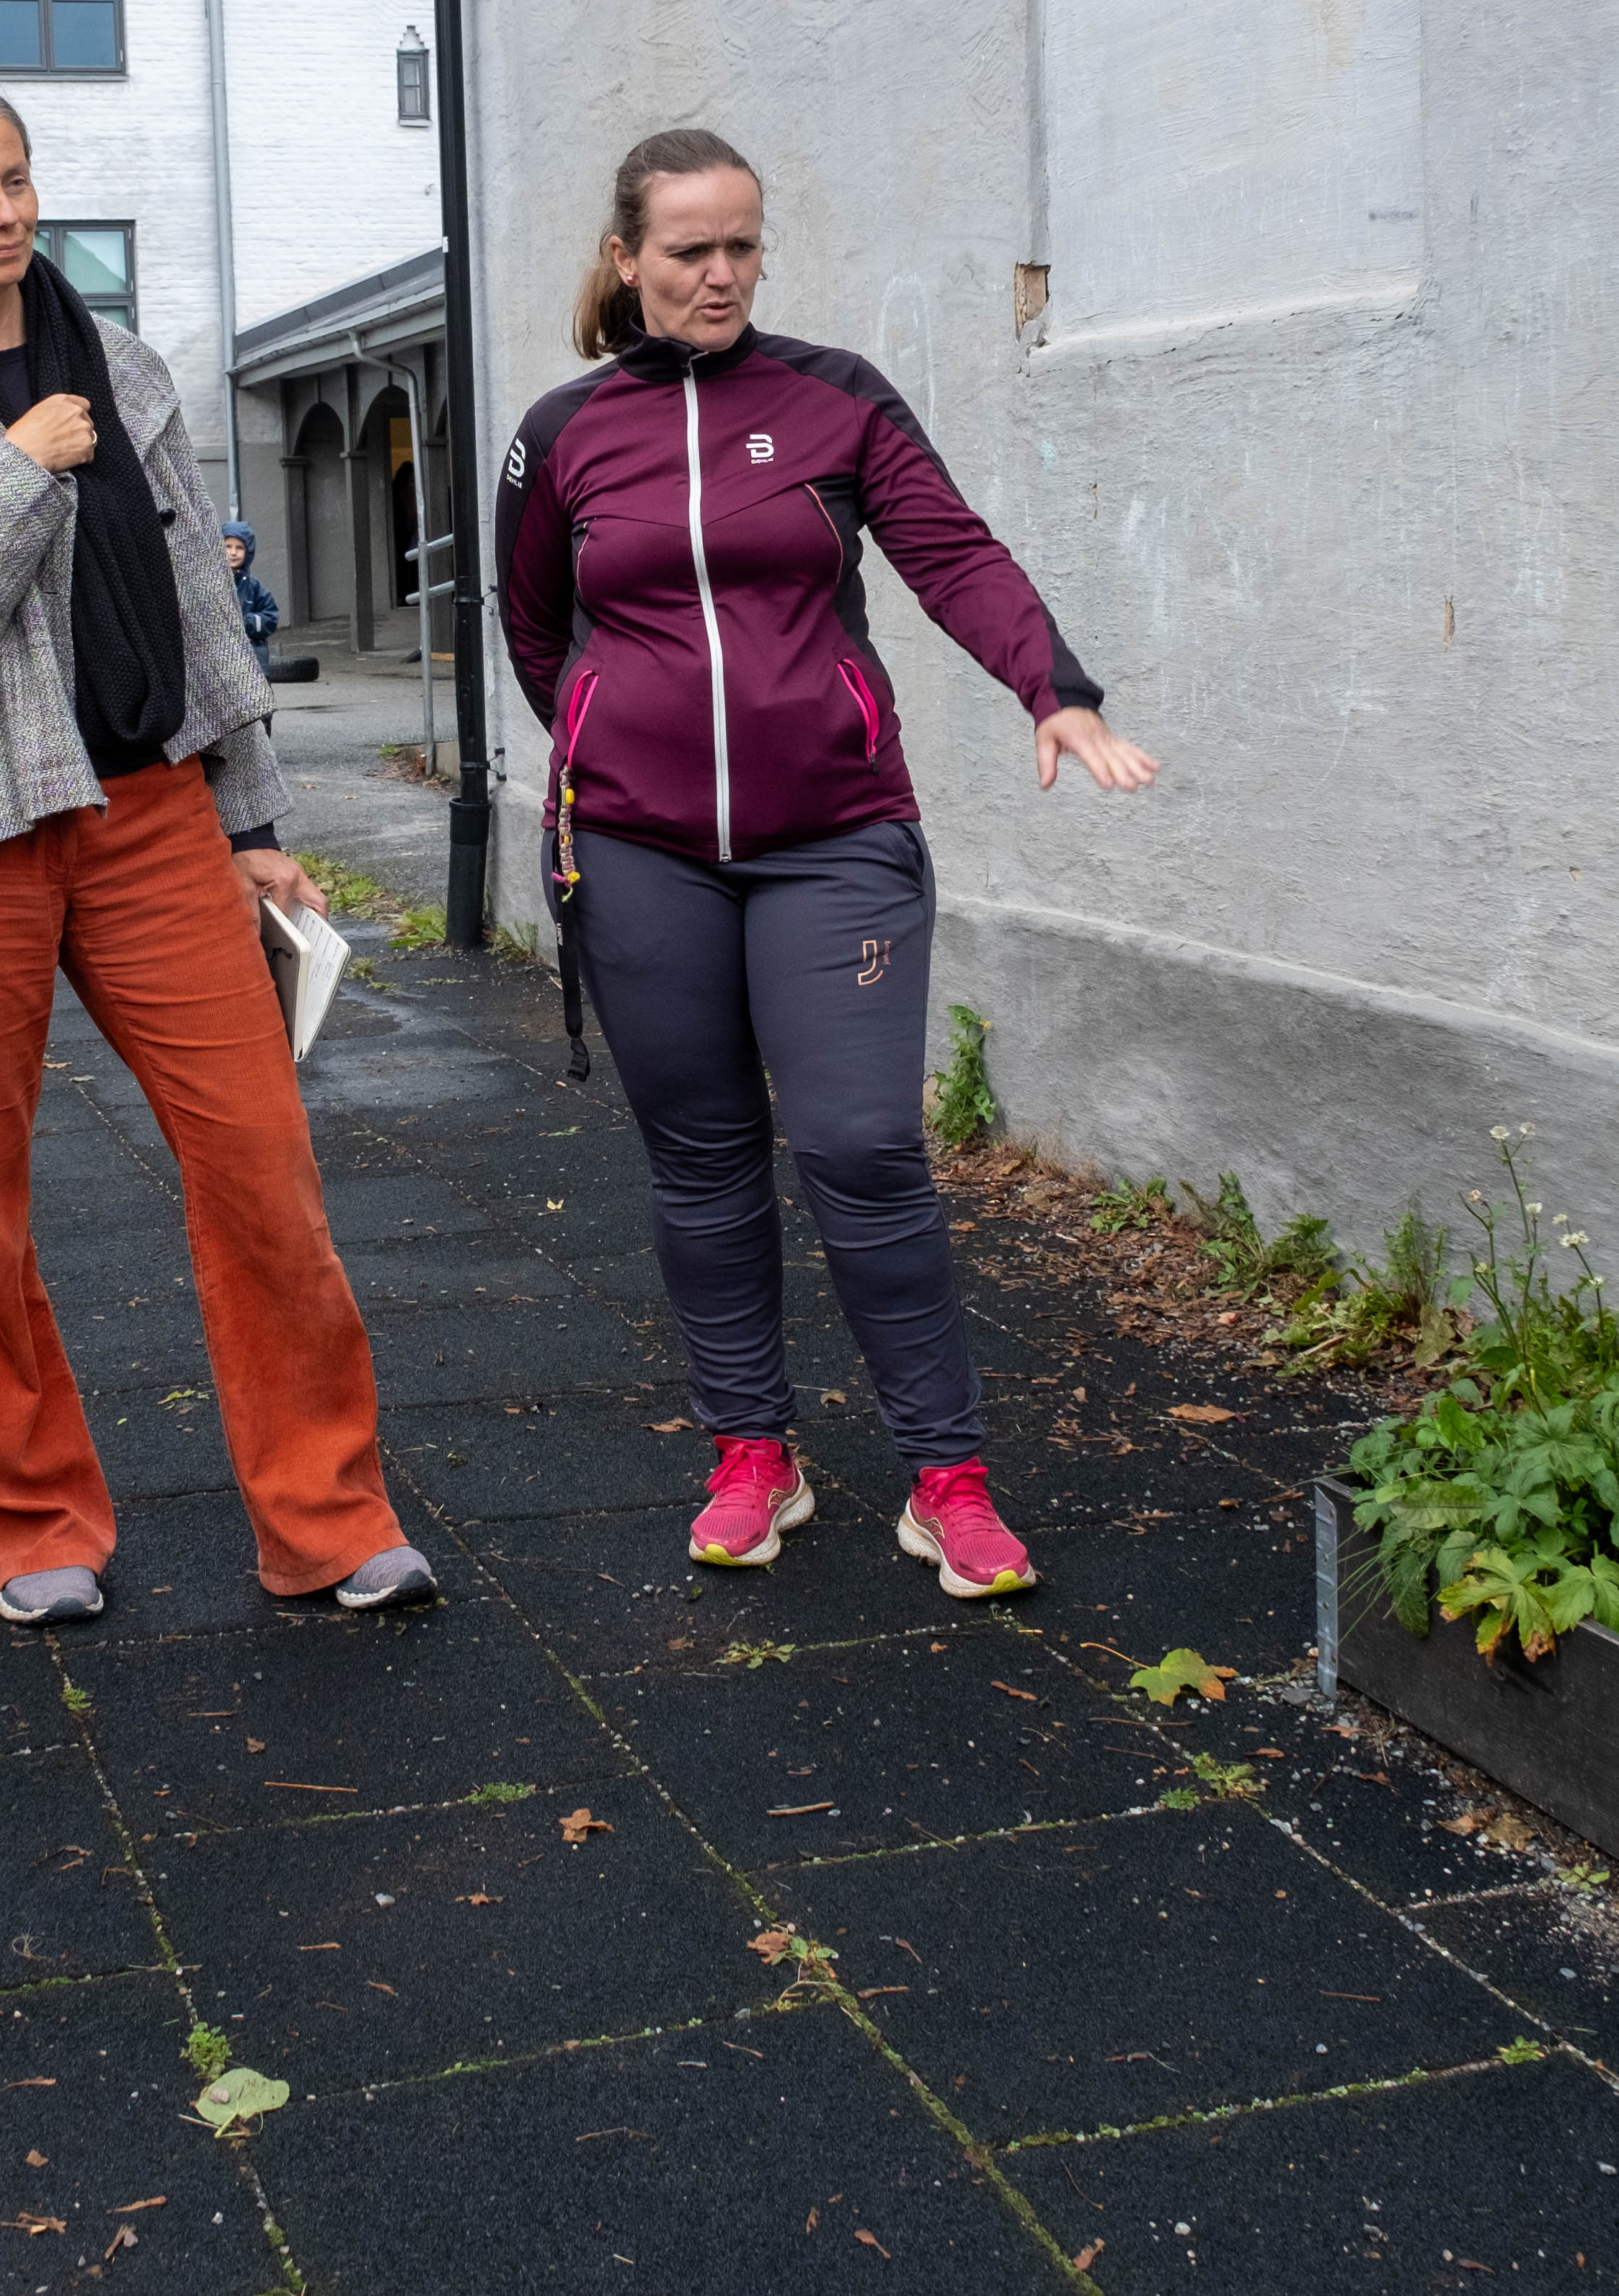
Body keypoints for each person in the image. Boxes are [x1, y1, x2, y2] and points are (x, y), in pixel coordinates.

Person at [0, 69, 432, 1626]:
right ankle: (31, 1520)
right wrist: (19, 464)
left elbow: (203, 604)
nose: (4, 213)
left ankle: (327, 1516)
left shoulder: (126, 368)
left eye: (16, 180)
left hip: (143, 807)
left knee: (260, 1157)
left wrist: (253, 816)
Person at [494, 128, 1159, 1600]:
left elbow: (951, 551)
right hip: (638, 850)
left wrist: (1051, 684)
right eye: (689, 249)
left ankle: (947, 1475)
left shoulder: (833, 401)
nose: (722, 272)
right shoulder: (562, 433)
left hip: (835, 841)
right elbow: (535, 623)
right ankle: (753, 1450)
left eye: (743, 244)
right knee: (704, 1157)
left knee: (859, 1142)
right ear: (628, 259)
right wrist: (612, 748)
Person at [223, 519, 280, 650]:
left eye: (240, 548)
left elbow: (271, 618)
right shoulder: (212, 584)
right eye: (228, 547)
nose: (233, 553)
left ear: (248, 552)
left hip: (252, 655)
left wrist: (246, 623)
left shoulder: (254, 587)